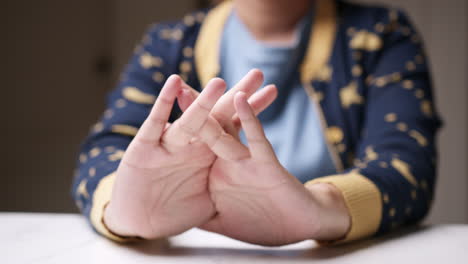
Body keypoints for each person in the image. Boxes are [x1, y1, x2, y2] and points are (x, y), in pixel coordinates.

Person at [72, 0, 441, 245]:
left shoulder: (381, 34)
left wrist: (319, 209)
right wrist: (120, 208)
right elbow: (107, 147)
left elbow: (407, 169)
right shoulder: (167, 43)